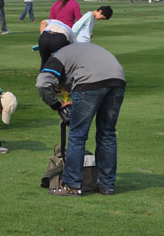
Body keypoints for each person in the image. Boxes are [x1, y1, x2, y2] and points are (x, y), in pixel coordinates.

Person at [36, 43, 126, 196]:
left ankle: (72, 185)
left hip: (88, 82)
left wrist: (56, 105)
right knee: (107, 134)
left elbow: (42, 83)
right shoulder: (80, 51)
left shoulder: (57, 58)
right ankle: (107, 185)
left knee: (77, 135)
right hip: (118, 79)